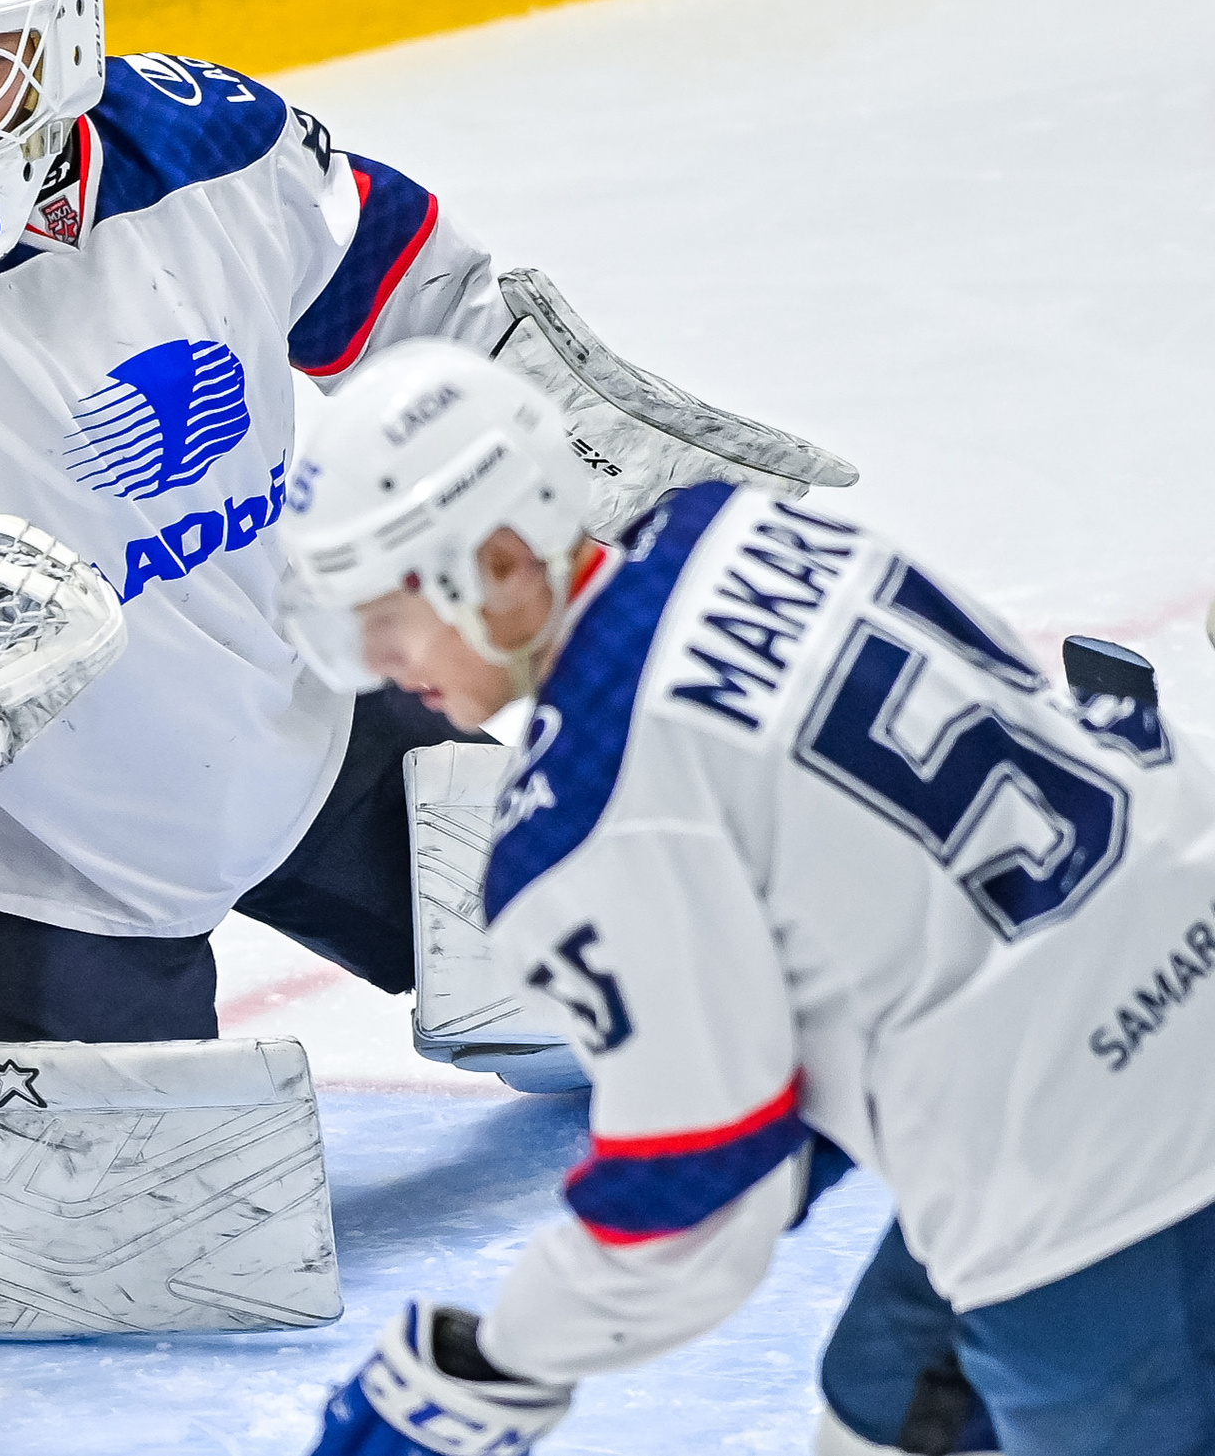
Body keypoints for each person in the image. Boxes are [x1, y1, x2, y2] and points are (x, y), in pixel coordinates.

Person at [0, 0, 846, 1053]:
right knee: (139, 1234)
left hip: (296, 723)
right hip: (50, 857)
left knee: (635, 975)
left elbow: (419, 295)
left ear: (64, 40)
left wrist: (567, 449)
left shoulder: (208, 144)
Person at [273, 338, 1215, 1455]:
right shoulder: (750, 527)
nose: (377, 658)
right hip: (1167, 978)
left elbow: (695, 1194)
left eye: (389, 608)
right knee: (876, 1409)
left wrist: (491, 1372)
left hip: (1093, 1187)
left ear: (503, 560)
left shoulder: (583, 819)